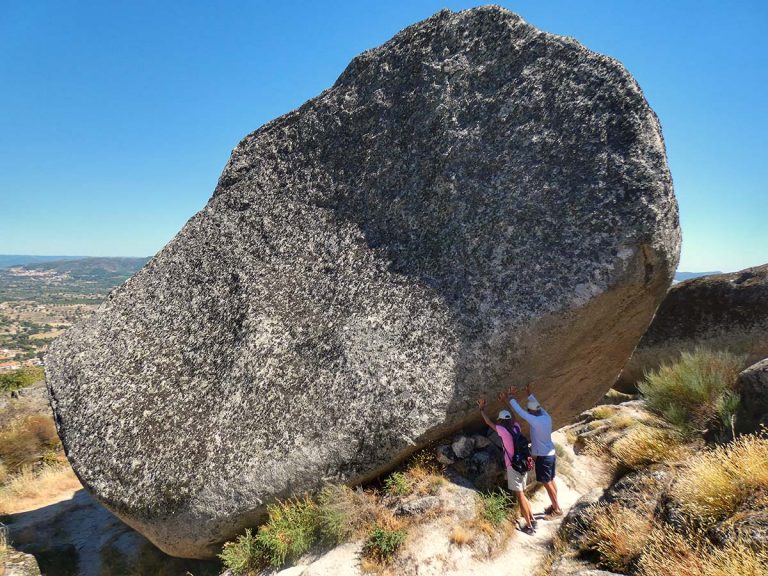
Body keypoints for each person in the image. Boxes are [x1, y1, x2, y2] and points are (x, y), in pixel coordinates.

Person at [477, 397, 536, 534]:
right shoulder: (516, 427)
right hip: (523, 463)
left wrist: (481, 409)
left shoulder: (502, 431)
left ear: (500, 420)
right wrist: (504, 402)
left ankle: (529, 526)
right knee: (522, 492)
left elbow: (488, 422)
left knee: (520, 495)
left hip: (513, 466)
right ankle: (532, 519)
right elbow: (514, 416)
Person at [504, 383, 563, 518]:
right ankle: (555, 504)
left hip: (543, 457)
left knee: (547, 483)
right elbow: (538, 405)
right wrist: (529, 393)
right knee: (551, 480)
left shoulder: (535, 420)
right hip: (551, 454)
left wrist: (511, 397)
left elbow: (520, 411)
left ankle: (557, 509)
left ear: (531, 412)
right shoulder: (546, 416)